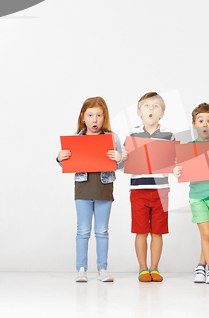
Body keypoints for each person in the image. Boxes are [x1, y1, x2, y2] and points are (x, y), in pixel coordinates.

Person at [57, 96, 122, 282]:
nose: (95, 120)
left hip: (104, 190)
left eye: (99, 115)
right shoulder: (76, 139)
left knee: (102, 231)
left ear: (105, 117)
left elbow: (122, 165)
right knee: (83, 231)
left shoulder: (111, 139)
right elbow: (65, 165)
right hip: (83, 190)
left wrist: (119, 158)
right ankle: (82, 269)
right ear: (83, 117)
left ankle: (102, 269)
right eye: (90, 115)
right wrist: (60, 157)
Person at [173, 103, 209, 284]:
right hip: (197, 196)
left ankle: (201, 264)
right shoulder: (189, 148)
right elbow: (180, 169)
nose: (205, 124)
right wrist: (177, 170)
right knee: (206, 234)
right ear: (194, 124)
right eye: (201, 121)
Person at [121, 92, 175, 282]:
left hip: (161, 190)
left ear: (162, 113)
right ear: (138, 112)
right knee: (141, 230)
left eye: (155, 106)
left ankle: (155, 268)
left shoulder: (169, 135)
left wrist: (177, 167)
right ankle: (143, 268)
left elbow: (175, 161)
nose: (151, 109)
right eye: (146, 106)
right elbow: (120, 164)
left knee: (158, 231)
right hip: (138, 190)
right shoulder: (133, 135)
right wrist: (123, 158)